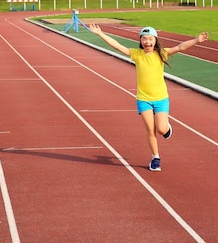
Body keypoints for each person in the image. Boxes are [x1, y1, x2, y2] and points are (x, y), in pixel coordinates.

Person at [89, 23, 209, 171]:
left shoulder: (161, 54)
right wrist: (100, 34)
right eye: (144, 39)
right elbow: (118, 46)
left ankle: (166, 128)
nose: (147, 42)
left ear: (155, 40)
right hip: (143, 99)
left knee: (161, 129)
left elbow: (180, 47)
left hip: (160, 98)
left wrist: (197, 40)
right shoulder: (137, 54)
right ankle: (155, 157)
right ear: (140, 41)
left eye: (150, 39)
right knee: (150, 130)